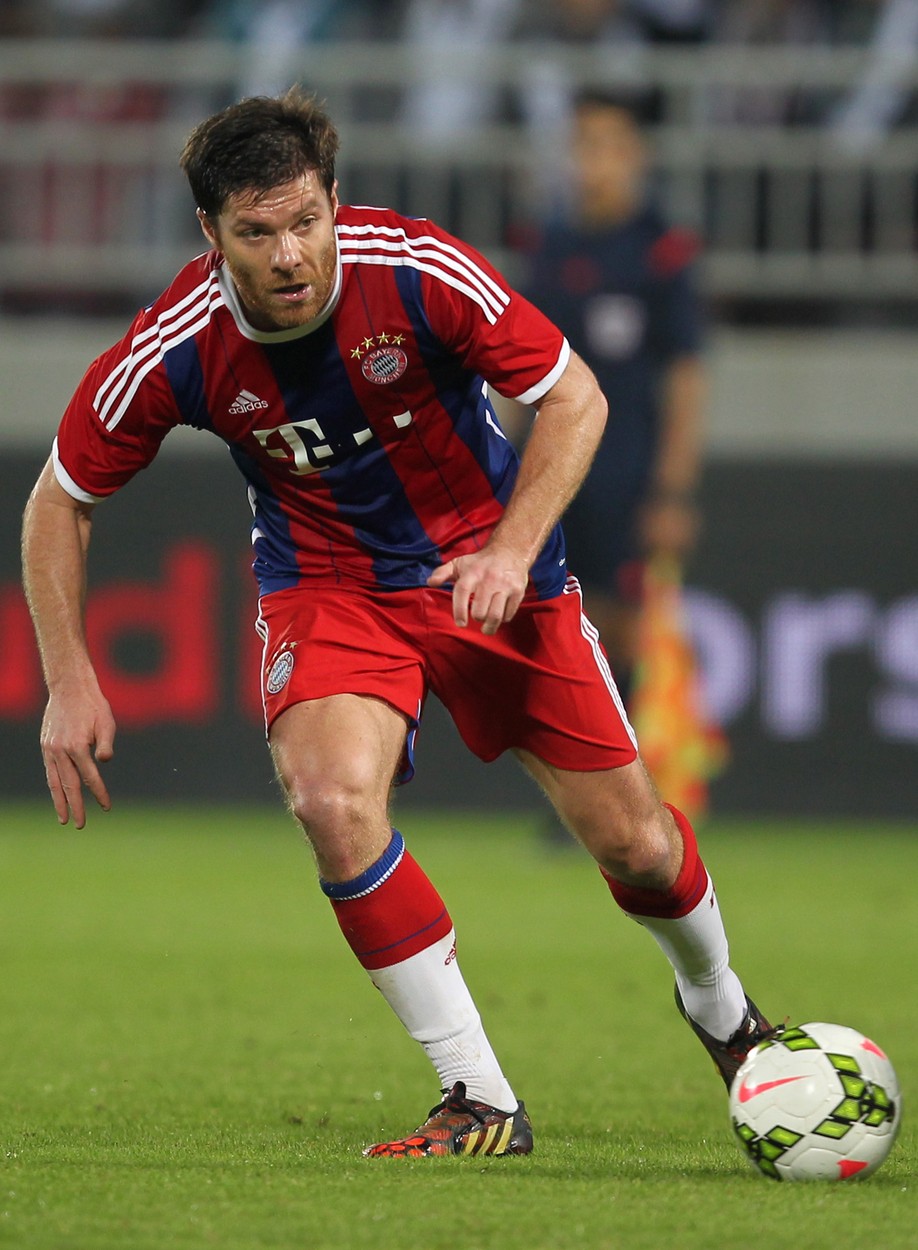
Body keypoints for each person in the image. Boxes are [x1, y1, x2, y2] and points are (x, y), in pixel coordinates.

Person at [21, 86, 775, 1159]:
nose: (290, 255)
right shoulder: (179, 344)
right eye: (257, 232)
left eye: (306, 220)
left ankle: (725, 1012)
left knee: (639, 844)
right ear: (210, 234)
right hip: (328, 584)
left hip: (488, 562)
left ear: (335, 200)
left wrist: (511, 547)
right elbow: (58, 499)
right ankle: (478, 1095)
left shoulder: (416, 268)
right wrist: (68, 675)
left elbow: (576, 397)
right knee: (330, 799)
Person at [518, 89, 706, 712]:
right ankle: (576, 760)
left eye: (605, 145)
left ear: (635, 154)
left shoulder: (661, 252)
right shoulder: (549, 247)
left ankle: (624, 755)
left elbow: (685, 377)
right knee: (556, 625)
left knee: (623, 628)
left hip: (627, 472)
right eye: (582, 144)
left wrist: (673, 491)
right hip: (551, 468)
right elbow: (519, 368)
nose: (590, 160)